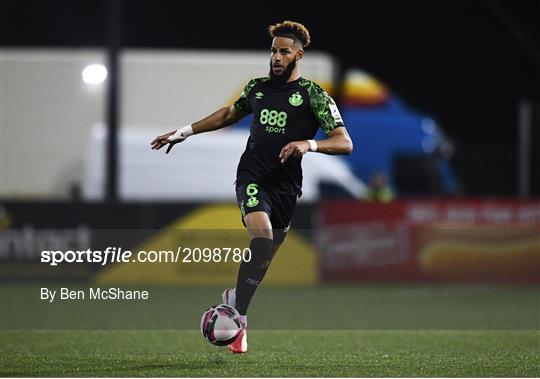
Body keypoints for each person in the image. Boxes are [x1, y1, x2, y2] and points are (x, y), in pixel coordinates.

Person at [151, 20, 353, 353]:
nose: (276, 57)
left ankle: (237, 311)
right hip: (252, 179)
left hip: (286, 189)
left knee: (261, 263)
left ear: (298, 55)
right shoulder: (257, 88)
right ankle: (234, 314)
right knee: (262, 241)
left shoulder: (313, 95)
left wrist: (309, 144)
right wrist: (183, 131)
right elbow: (230, 113)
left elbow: (344, 142)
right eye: (273, 51)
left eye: (284, 52)